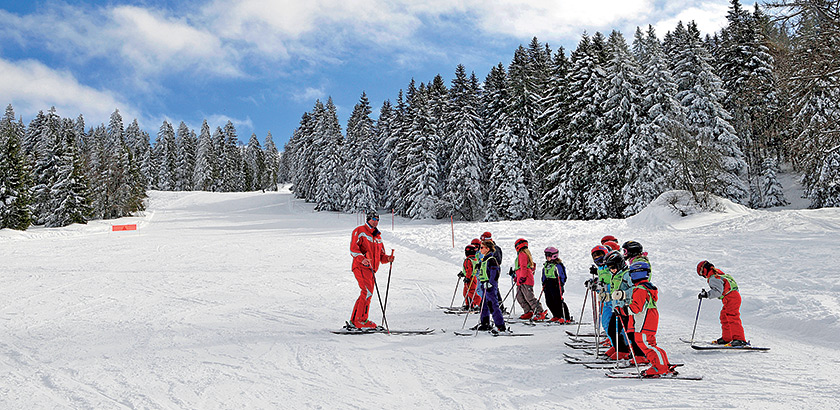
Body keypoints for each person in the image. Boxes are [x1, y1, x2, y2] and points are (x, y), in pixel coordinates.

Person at [615, 261, 672, 377]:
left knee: (645, 343)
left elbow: (636, 308)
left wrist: (622, 310)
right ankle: (662, 364)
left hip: (645, 319)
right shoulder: (645, 287)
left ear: (636, 274)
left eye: (631, 274)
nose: (630, 277)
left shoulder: (640, 289)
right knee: (649, 343)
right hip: (649, 317)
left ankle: (660, 367)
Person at [349, 210, 394, 328]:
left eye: (378, 219)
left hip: (371, 270)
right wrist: (361, 259)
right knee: (367, 292)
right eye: (374, 219)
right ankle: (360, 321)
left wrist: (388, 258)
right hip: (361, 266)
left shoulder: (377, 236)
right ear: (368, 219)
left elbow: (381, 256)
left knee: (367, 293)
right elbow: (353, 249)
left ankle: (356, 320)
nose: (376, 221)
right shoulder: (360, 231)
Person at [605, 251, 646, 361]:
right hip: (617, 309)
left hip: (627, 309)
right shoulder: (615, 275)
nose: (611, 270)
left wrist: (624, 294)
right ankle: (622, 350)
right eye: (609, 268)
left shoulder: (627, 274)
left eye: (613, 267)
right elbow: (615, 290)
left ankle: (640, 355)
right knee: (612, 331)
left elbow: (635, 288)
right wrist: (607, 296)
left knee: (631, 333)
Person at [697, 261, 747, 346]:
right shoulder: (719, 274)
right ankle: (727, 338)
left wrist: (707, 294)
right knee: (724, 316)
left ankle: (740, 339)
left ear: (704, 271)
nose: (704, 277)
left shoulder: (713, 278)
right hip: (731, 297)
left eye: (702, 274)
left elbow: (718, 292)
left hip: (731, 298)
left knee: (732, 316)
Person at [471, 240, 507, 332]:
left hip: (489, 286)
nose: (480, 249)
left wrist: (490, 283)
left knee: (493, 305)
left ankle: (500, 326)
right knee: (484, 305)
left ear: (487, 249)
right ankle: (485, 323)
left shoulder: (492, 260)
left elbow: (495, 274)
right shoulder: (484, 259)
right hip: (484, 284)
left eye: (482, 248)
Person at [513, 238, 546, 321]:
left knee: (529, 297)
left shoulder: (522, 254)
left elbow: (524, 267)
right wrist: (517, 277)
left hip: (525, 280)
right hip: (521, 280)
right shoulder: (522, 254)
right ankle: (528, 311)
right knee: (519, 296)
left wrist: (522, 277)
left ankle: (539, 312)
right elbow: (520, 268)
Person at [542, 247, 571, 323]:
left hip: (556, 283)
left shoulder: (558, 265)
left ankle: (565, 317)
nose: (547, 257)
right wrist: (544, 282)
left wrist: (561, 283)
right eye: (546, 255)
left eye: (548, 255)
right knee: (549, 301)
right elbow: (544, 274)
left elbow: (562, 275)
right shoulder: (546, 264)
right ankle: (556, 315)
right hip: (548, 283)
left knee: (558, 300)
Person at [460, 244, 481, 309]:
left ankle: (479, 304)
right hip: (471, 277)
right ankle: (469, 304)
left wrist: (467, 277)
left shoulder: (469, 260)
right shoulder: (474, 259)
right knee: (466, 292)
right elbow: (468, 269)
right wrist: (463, 274)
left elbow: (469, 270)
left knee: (471, 292)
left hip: (470, 278)